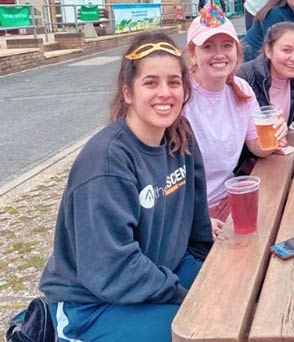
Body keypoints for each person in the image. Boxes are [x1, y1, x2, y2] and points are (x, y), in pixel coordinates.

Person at [38, 32, 212, 342]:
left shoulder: (180, 136)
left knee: (232, 296)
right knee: (199, 328)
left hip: (161, 271)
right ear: (128, 93)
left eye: (174, 82)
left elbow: (196, 222)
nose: (165, 92)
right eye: (151, 82)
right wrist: (183, 295)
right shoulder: (106, 161)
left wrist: (204, 266)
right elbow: (111, 268)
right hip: (93, 304)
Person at [184, 12, 287, 239]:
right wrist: (194, 220)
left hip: (232, 196)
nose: (219, 54)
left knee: (287, 222)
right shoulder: (181, 97)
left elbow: (257, 146)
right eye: (208, 47)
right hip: (194, 212)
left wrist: (274, 135)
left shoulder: (241, 89)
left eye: (227, 46)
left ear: (237, 52)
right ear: (192, 55)